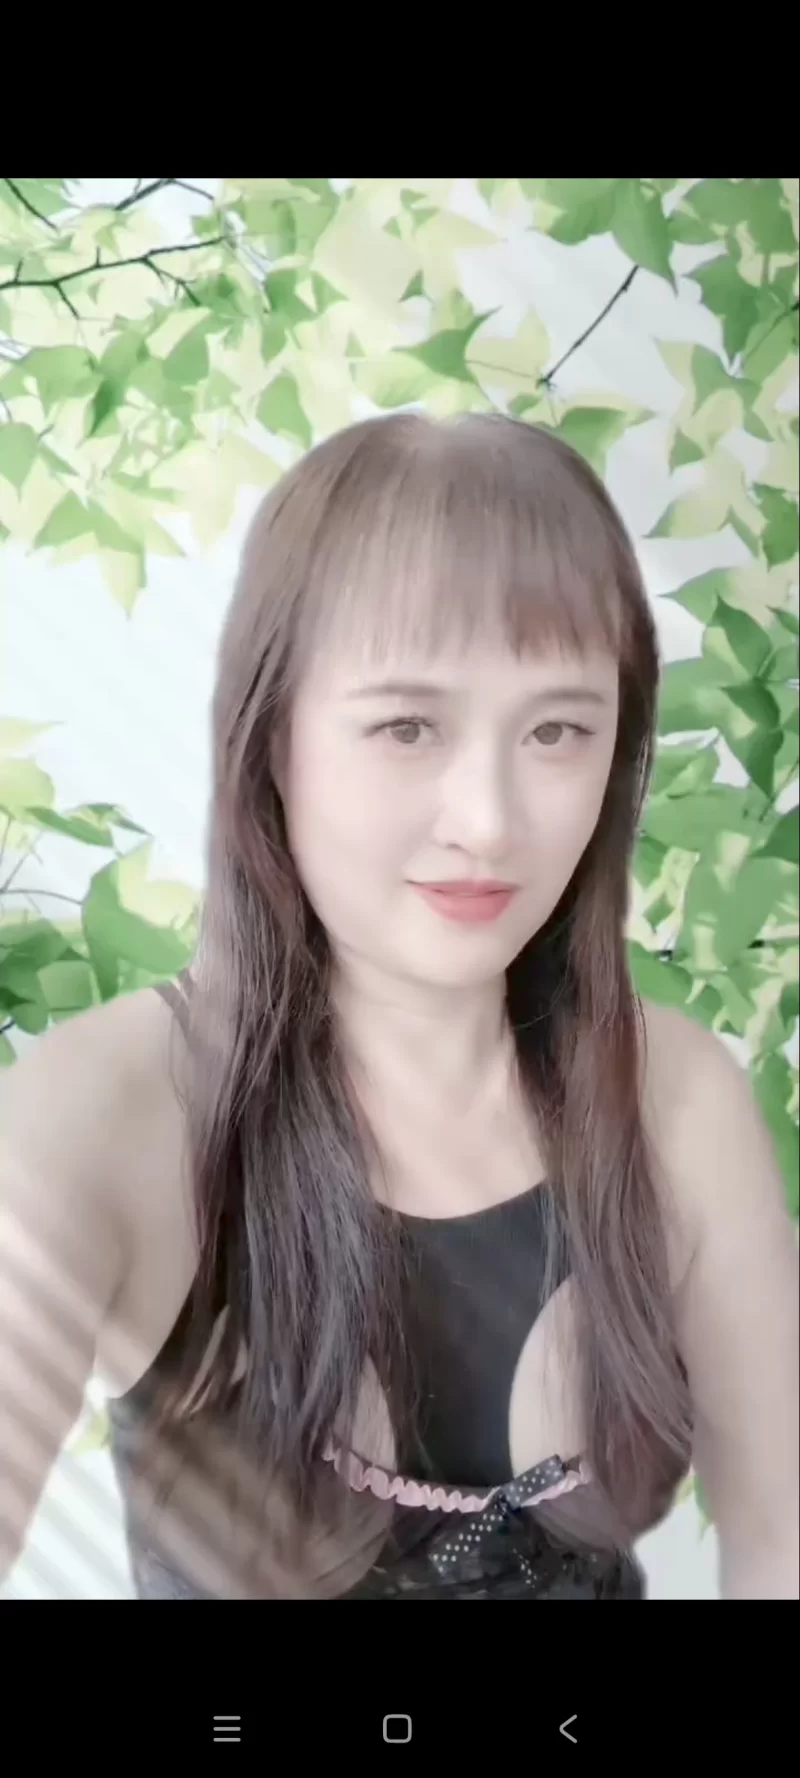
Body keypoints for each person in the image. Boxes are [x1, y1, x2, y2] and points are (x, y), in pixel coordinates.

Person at [1, 412, 797, 1602]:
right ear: (272, 737)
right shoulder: (105, 1111)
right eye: (406, 725)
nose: (486, 819)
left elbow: (784, 1540)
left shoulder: (673, 1096)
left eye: (556, 729)